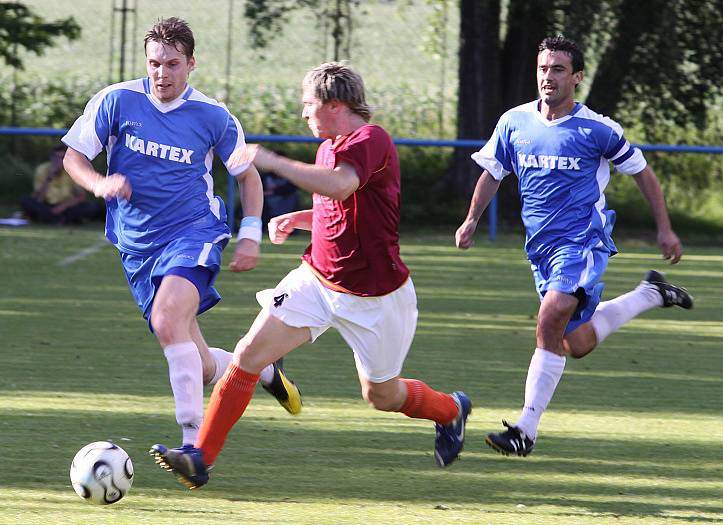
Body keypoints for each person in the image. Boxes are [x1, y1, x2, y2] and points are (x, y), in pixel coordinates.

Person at [150, 62, 472, 489]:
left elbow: (341, 186)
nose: (304, 113)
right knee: (247, 356)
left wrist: (271, 160)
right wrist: (300, 218)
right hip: (316, 281)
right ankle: (199, 458)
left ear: (335, 104)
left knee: (382, 395)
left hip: (376, 298)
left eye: (309, 104)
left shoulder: (370, 139)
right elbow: (340, 207)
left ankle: (450, 410)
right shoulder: (328, 146)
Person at [61, 17, 302, 451]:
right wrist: (99, 184)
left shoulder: (213, 116)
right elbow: (74, 157)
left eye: (172, 64)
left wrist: (249, 234)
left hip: (195, 232)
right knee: (197, 359)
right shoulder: (116, 101)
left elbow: (248, 178)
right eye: (155, 63)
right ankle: (264, 370)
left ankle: (193, 445)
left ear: (191, 64)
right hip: (136, 245)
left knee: (168, 319)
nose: (161, 74)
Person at [455, 36, 693, 457]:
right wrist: (472, 219)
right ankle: (650, 292)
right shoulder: (514, 122)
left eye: (559, 69)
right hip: (540, 248)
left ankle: (525, 428)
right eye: (544, 68)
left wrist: (664, 228)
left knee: (549, 317)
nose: (549, 76)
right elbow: (493, 172)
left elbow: (643, 174)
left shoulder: (598, 129)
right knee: (573, 343)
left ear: (577, 77)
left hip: (583, 240)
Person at [20, 144, 101, 224]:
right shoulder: (42, 170)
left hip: (65, 206)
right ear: (51, 158)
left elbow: (81, 197)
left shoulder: (72, 171)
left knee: (91, 207)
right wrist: (49, 178)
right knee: (25, 201)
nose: (59, 161)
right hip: (46, 205)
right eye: (56, 157)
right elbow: (38, 198)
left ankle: (50, 218)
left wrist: (61, 207)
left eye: (62, 157)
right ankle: (60, 219)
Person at [260, 161, 299, 229]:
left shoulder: (290, 176)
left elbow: (290, 188)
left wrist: (273, 192)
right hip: (268, 205)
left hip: (286, 205)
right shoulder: (266, 176)